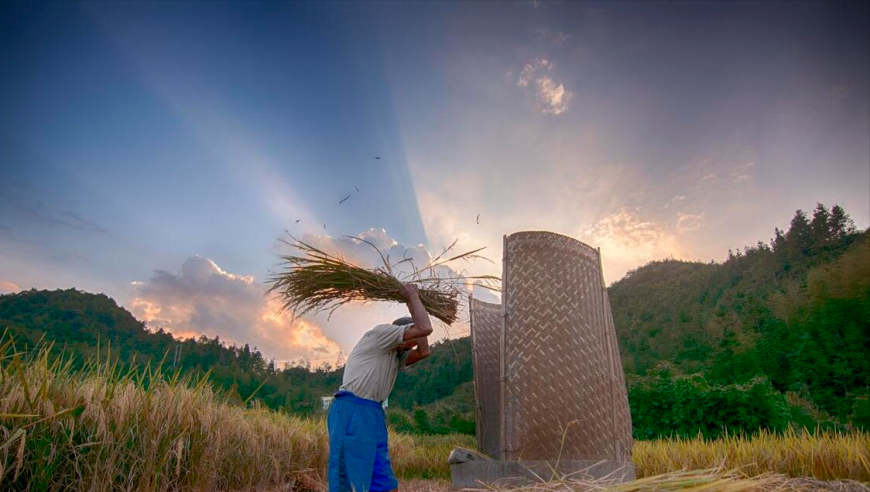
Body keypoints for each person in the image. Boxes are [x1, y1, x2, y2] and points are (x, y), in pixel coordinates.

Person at [327, 283, 434, 492]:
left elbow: (424, 352)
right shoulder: (381, 334)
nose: (409, 347)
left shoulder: (395, 355)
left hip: (373, 414)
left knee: (384, 483)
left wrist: (417, 306)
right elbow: (424, 328)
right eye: (408, 341)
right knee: (351, 481)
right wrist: (412, 296)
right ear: (400, 332)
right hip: (352, 410)